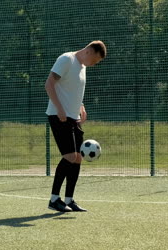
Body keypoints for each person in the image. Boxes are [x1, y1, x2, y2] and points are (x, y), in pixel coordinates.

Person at [45, 41, 107, 212]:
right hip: (59, 117)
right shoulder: (66, 59)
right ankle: (54, 199)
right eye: (95, 60)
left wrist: (81, 107)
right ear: (88, 51)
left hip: (74, 117)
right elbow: (49, 84)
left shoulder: (82, 66)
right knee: (70, 156)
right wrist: (59, 110)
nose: (94, 64)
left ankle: (69, 199)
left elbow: (73, 89)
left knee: (78, 158)